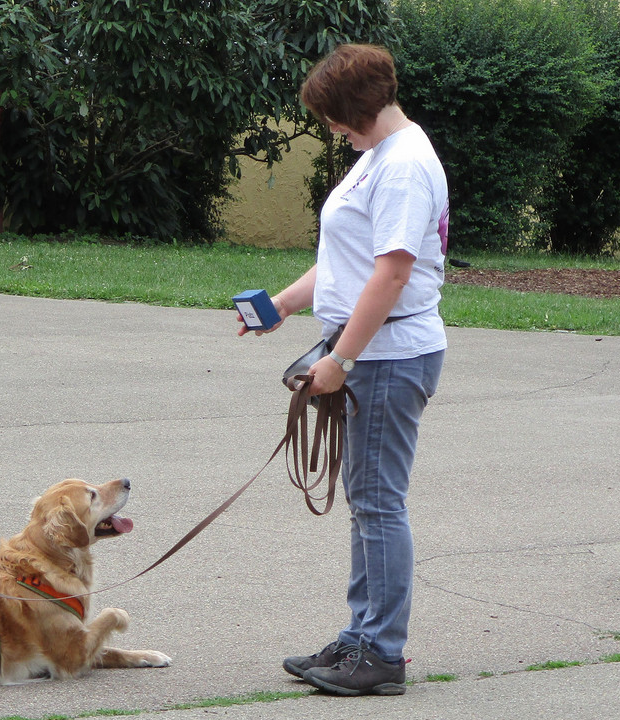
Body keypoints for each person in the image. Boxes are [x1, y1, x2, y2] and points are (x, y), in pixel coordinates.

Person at [237, 43, 448, 696]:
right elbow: (347, 258)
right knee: (366, 504)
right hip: (372, 354)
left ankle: (380, 653)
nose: (329, 128)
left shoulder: (404, 165)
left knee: (377, 505)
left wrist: (340, 357)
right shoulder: (377, 156)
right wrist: (281, 305)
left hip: (389, 356)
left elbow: (392, 274)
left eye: (332, 116)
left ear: (359, 107)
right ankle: (360, 638)